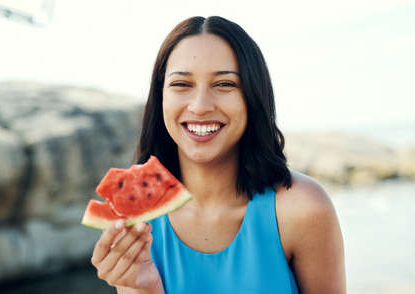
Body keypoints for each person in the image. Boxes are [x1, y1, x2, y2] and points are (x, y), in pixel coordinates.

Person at [91, 16, 346, 294]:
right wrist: (146, 290)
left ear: (253, 96)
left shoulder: (304, 209)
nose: (200, 106)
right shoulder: (139, 224)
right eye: (181, 84)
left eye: (224, 84)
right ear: (160, 96)